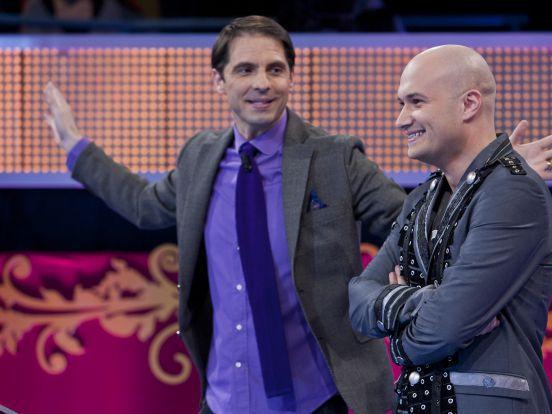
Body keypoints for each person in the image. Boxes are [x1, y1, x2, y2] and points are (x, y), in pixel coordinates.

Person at [44, 17, 549, 413]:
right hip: (223, 399)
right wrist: (76, 149)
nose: (262, 83)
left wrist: (483, 174)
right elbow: (143, 204)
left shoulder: (333, 157)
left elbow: (418, 224)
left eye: (275, 69)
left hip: (322, 398)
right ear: (218, 80)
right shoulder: (199, 158)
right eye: (246, 70)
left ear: (290, 77)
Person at [348, 45, 552, 414]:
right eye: (401, 104)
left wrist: (398, 340)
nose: (401, 120)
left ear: (469, 104)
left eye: (416, 102)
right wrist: (424, 300)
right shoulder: (421, 199)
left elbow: (444, 329)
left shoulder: (514, 190)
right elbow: (359, 300)